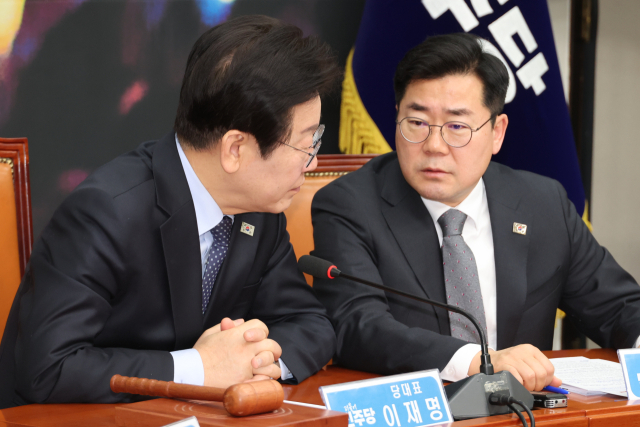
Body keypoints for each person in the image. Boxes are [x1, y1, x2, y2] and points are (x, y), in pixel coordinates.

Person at [0, 15, 341, 408]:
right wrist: (198, 368)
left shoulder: (259, 210)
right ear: (235, 149)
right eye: (305, 145)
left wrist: (260, 361)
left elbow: (310, 323)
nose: (313, 162)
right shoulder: (105, 212)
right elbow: (47, 370)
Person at [311, 32, 640, 392]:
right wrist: (477, 361)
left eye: (457, 127)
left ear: (497, 132)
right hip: (418, 408)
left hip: (525, 412)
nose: (434, 145)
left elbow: (619, 307)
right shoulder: (349, 205)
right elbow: (357, 325)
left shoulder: (542, 203)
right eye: (417, 123)